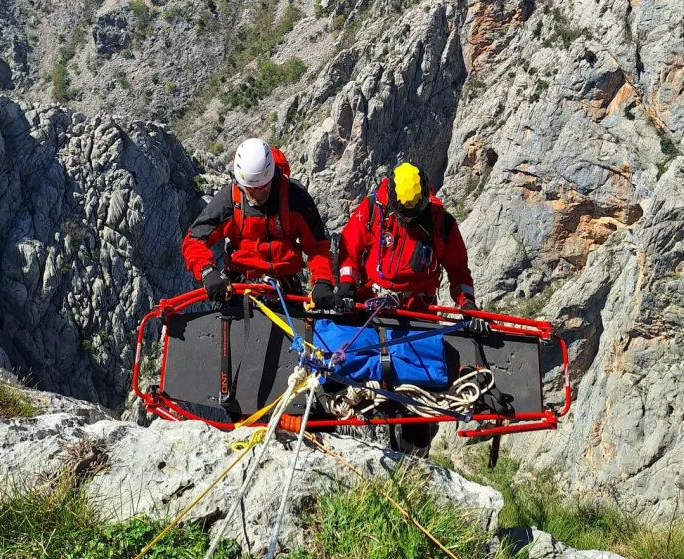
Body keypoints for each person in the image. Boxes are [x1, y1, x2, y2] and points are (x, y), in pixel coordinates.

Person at [335, 161, 491, 456]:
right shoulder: (372, 211)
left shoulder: (442, 225)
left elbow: (458, 271)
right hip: (368, 311)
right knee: (352, 387)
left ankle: (415, 461)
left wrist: (467, 304)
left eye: (412, 214)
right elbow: (350, 249)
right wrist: (345, 284)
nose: (406, 220)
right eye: (402, 214)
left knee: (416, 405)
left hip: (415, 318)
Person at [181, 138, 335, 308]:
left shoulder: (295, 197)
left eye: (261, 187)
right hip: (240, 287)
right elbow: (194, 240)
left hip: (285, 288)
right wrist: (208, 271)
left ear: (271, 176)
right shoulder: (231, 200)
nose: (254, 194)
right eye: (249, 188)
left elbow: (317, 247)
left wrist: (323, 280)